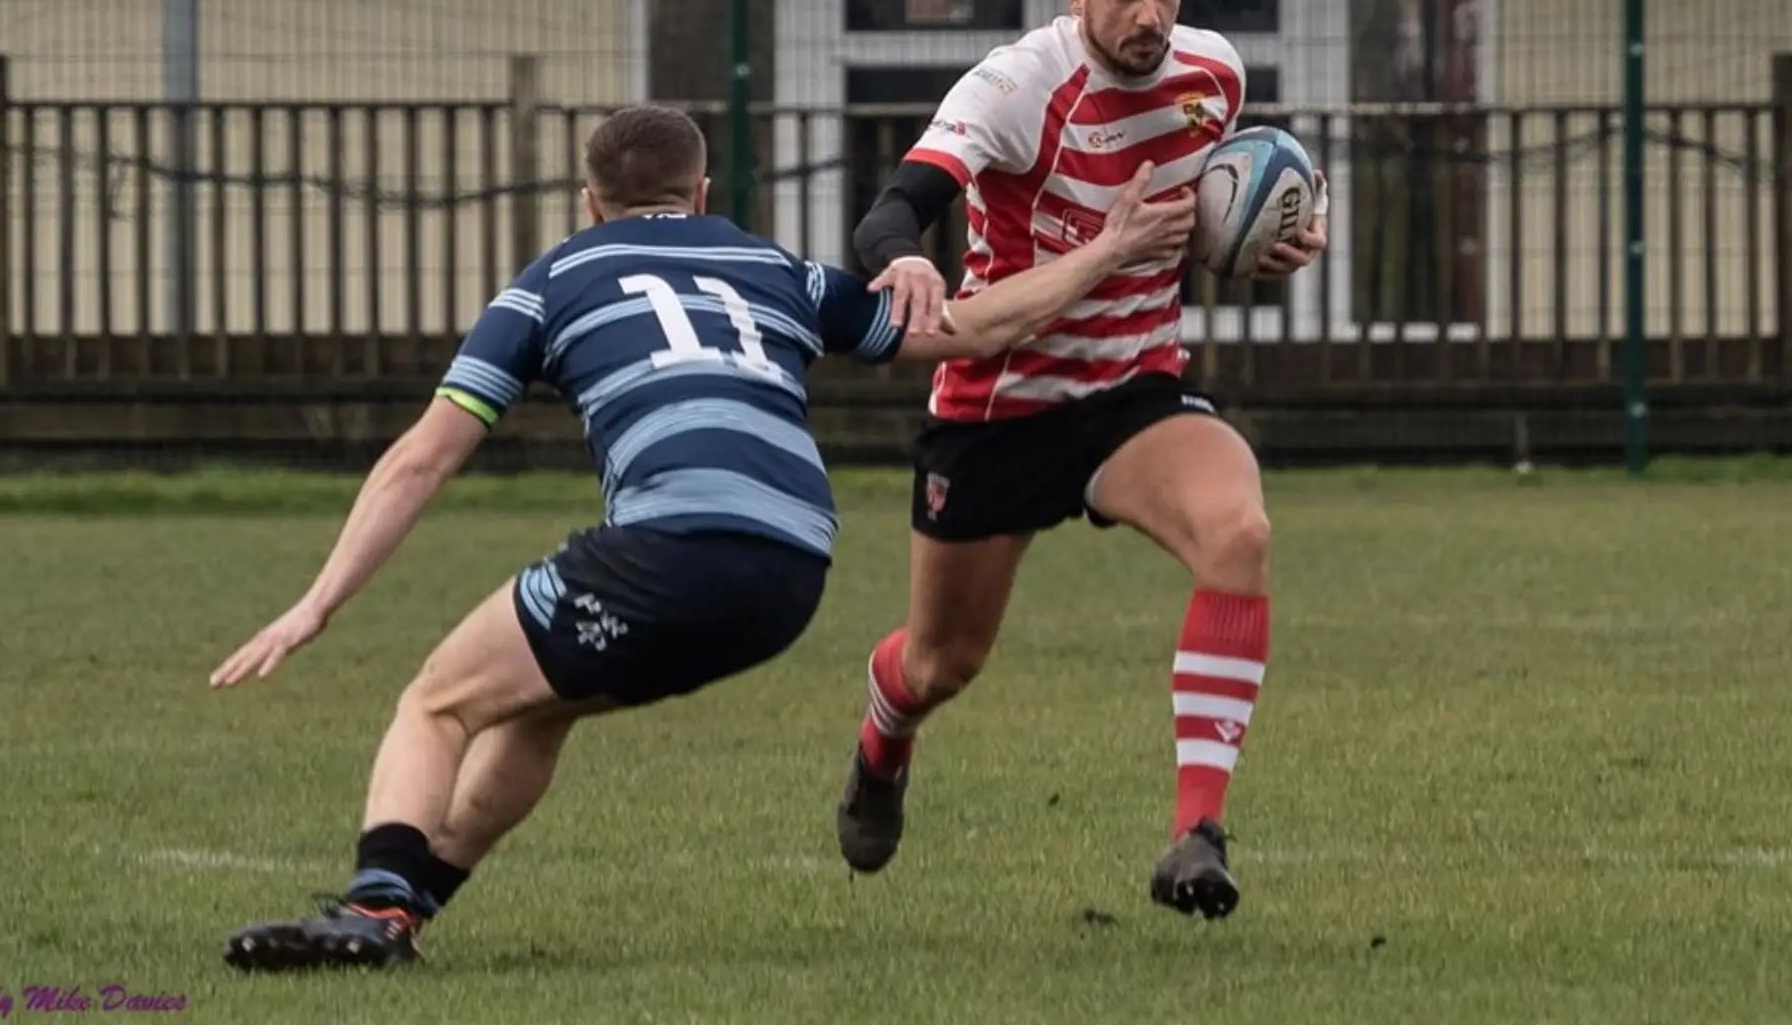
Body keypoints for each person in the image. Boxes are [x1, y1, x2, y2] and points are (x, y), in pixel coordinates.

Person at [208, 103, 1195, 971]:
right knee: (531, 708)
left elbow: (422, 458)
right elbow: (974, 329)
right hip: (790, 573)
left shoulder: (550, 281)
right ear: (701, 190)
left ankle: (374, 903)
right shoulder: (771, 267)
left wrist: (317, 601)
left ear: (586, 200)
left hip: (666, 550)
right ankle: (411, 910)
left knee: (434, 699)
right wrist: (1106, 250)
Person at [834, 0, 1330, 921]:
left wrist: (1261, 246)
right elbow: (893, 210)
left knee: (1236, 530)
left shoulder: (1214, 75)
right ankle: (881, 747)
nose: (1147, 15)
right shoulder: (1017, 85)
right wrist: (904, 268)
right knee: (939, 662)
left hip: (1133, 391)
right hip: (997, 409)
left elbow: (1195, 225)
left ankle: (1196, 831)